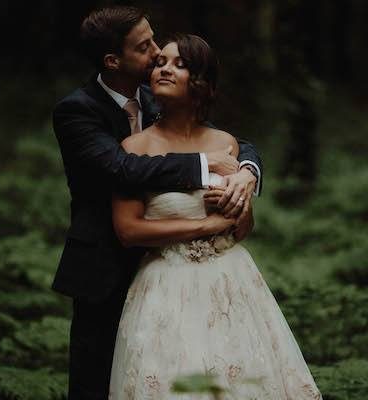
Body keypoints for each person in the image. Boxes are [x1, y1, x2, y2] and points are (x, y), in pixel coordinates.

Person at [51, 6, 263, 400]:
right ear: (113, 60)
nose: (156, 53)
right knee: (101, 381)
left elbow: (232, 144)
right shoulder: (77, 111)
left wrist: (247, 171)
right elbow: (123, 167)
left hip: (187, 272)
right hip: (107, 265)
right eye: (145, 46)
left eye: (154, 40)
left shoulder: (159, 95)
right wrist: (203, 167)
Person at [108, 34, 321, 400]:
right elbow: (129, 229)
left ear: (200, 81)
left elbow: (241, 230)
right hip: (165, 286)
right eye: (160, 63)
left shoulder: (227, 144)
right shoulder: (134, 148)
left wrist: (241, 201)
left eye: (179, 64)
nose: (165, 69)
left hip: (230, 279)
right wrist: (205, 225)